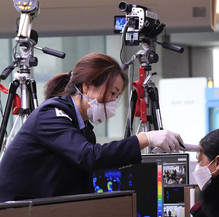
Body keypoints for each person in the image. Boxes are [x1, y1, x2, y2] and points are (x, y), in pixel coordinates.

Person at [0, 53, 182, 202]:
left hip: (40, 211)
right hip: (15, 212)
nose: (112, 101)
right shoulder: (51, 115)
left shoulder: (84, 130)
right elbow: (90, 156)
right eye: (111, 93)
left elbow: (83, 183)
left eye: (116, 96)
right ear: (86, 87)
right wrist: (145, 138)